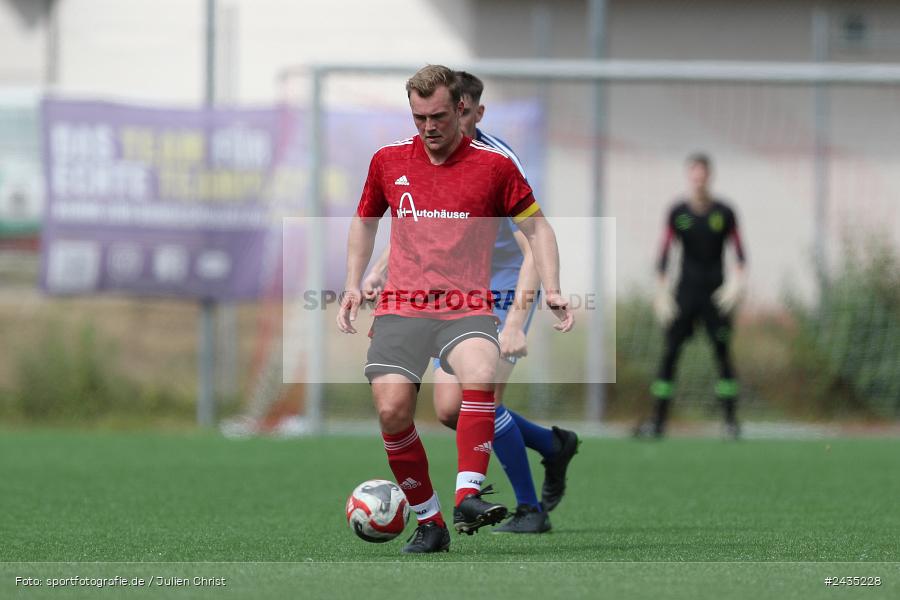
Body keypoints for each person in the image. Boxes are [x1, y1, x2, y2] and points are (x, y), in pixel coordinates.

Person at [337, 65, 574, 553]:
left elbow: (538, 232)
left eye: (439, 115)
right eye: (419, 116)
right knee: (395, 411)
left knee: (479, 373)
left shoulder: (496, 165)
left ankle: (473, 495)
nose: (429, 126)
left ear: (462, 109)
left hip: (474, 299)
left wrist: (546, 293)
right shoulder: (388, 160)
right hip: (404, 308)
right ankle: (431, 522)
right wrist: (356, 282)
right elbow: (380, 222)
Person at [635, 153, 747, 439]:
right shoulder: (678, 213)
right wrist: (661, 291)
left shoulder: (724, 212)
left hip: (716, 295)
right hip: (685, 294)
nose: (699, 180)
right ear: (689, 177)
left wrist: (738, 283)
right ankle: (658, 422)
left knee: (723, 356)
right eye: (694, 175)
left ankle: (731, 423)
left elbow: (739, 252)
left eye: (703, 175)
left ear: (710, 176)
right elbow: (664, 252)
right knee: (670, 354)